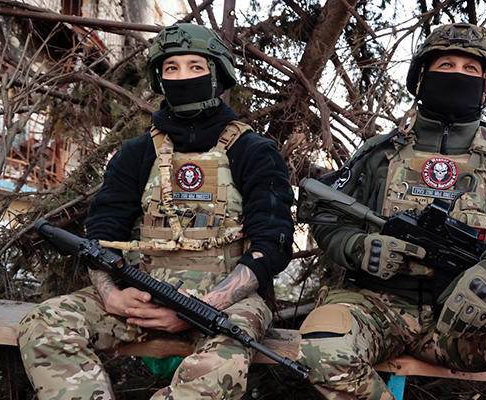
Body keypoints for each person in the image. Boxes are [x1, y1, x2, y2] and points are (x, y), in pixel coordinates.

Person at [17, 23, 294, 400]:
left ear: (217, 74)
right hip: (141, 298)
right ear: (159, 78)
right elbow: (102, 234)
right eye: (171, 68)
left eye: (196, 66)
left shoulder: (254, 151)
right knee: (45, 323)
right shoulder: (137, 152)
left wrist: (196, 308)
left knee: (221, 364)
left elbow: (272, 243)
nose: (183, 77)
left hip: (227, 303)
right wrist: (112, 295)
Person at [297, 22, 486, 400]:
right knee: (324, 343)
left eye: (470, 69)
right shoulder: (379, 152)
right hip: (376, 306)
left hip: (467, 316)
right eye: (446, 65)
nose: (457, 75)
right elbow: (326, 213)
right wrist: (358, 247)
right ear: (422, 77)